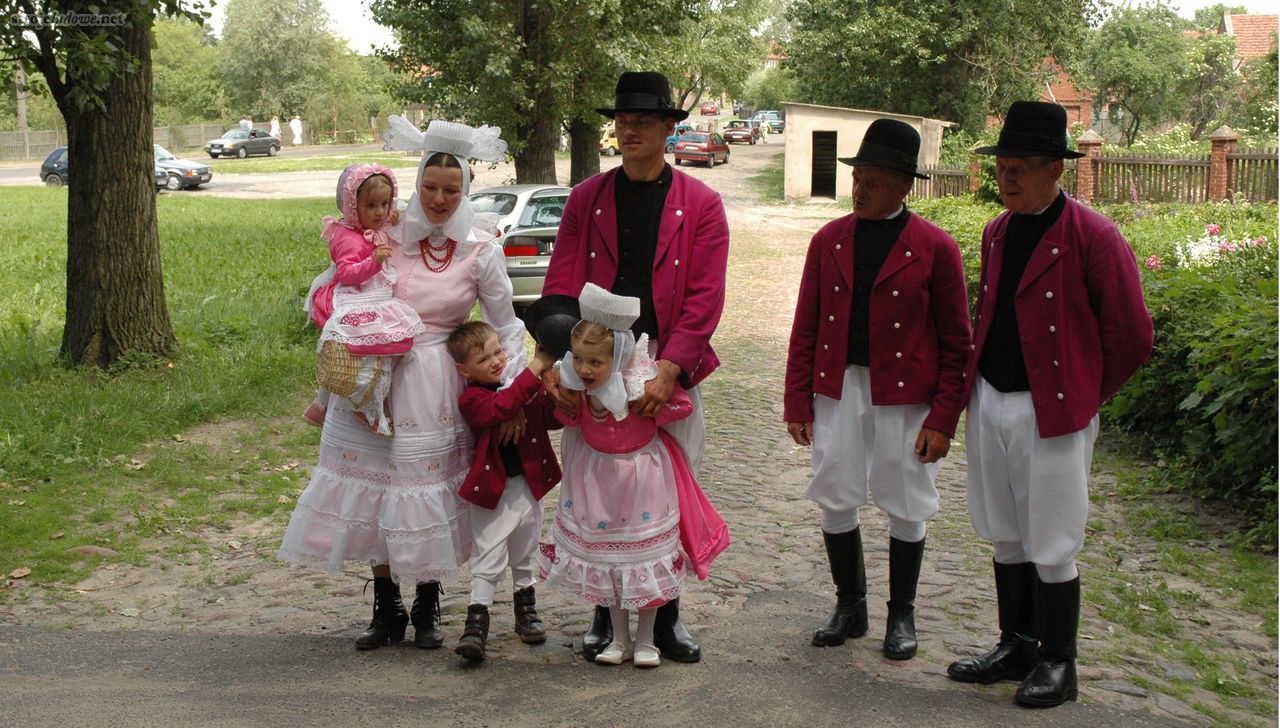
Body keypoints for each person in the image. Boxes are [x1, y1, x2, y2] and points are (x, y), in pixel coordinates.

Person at [278, 117, 523, 652]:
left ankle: (427, 602)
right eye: (429, 188)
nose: (438, 199)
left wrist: (510, 389)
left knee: (426, 493)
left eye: (450, 190)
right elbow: (342, 281)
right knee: (377, 489)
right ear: (416, 186)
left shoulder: (480, 248)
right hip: (376, 376)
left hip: (437, 380)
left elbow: (505, 324)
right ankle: (385, 604)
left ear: (465, 191)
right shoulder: (385, 236)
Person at [945, 102, 1153, 707]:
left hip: (1053, 409)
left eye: (1021, 168)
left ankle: (1060, 663)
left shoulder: (1094, 235)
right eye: (1003, 166)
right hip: (991, 396)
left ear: (1055, 170)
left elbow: (1133, 336)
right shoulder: (997, 231)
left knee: (1054, 537)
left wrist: (1084, 395)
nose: (1007, 178)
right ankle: (1017, 645)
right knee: (1006, 532)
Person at [524, 70, 730, 664]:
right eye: (622, 120)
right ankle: (603, 615)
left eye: (643, 121)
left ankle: (663, 619)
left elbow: (703, 299)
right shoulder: (587, 198)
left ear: (670, 127)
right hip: (594, 361)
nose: (629, 129)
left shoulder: (703, 204)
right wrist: (559, 362)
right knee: (597, 491)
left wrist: (670, 370)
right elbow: (561, 283)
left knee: (668, 490)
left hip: (665, 359)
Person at [784, 119, 971, 660]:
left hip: (906, 394)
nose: (860, 190)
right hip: (837, 387)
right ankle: (850, 605)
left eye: (873, 181)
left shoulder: (935, 248)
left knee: (907, 499)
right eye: (857, 178)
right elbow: (807, 325)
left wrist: (942, 418)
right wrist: (798, 400)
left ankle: (902, 616)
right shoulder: (828, 241)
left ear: (904, 184)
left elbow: (958, 343)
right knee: (835, 491)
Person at [537, 284, 729, 669]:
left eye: (596, 362)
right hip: (599, 487)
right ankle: (618, 637)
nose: (586, 370)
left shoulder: (636, 391)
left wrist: (655, 392)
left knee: (646, 560)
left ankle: (647, 639)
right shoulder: (583, 396)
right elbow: (564, 418)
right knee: (608, 563)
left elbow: (679, 407)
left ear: (619, 357)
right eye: (579, 360)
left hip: (642, 485)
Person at [447, 321, 561, 663]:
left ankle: (526, 611)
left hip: (528, 485)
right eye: (485, 360)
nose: (497, 361)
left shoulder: (519, 387)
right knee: (488, 554)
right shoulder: (472, 398)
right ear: (464, 370)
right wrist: (536, 365)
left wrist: (552, 392)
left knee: (525, 548)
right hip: (493, 491)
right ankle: (476, 623)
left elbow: (550, 418)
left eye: (499, 352)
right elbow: (500, 407)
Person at [304, 164, 423, 436]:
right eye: (371, 205)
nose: (380, 212)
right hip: (358, 297)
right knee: (372, 353)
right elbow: (347, 273)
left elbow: (393, 221)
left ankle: (329, 404)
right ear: (352, 207)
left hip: (374, 295)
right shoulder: (348, 238)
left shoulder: (370, 226)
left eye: (384, 203)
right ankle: (366, 406)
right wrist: (374, 261)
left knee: (388, 348)